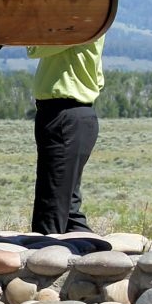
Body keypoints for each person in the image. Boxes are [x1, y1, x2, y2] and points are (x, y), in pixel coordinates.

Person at [27, 38, 103, 236]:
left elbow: (36, 47)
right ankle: (90, 257)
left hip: (63, 115)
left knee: (51, 209)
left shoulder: (77, 23)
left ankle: (44, 259)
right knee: (68, 209)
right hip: (77, 115)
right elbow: (99, 79)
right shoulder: (95, 23)